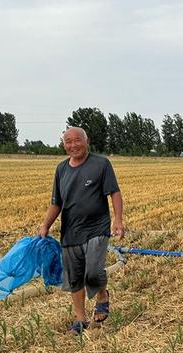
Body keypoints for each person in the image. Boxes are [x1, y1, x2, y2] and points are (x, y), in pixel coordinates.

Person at [37, 126, 125, 334]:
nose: (73, 145)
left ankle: (102, 295)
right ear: (63, 145)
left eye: (78, 140)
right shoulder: (61, 170)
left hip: (97, 228)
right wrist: (45, 225)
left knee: (93, 271)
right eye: (68, 141)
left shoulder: (101, 164)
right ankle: (80, 319)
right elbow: (56, 202)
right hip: (70, 231)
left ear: (87, 141)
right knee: (74, 277)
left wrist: (118, 220)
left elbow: (114, 192)